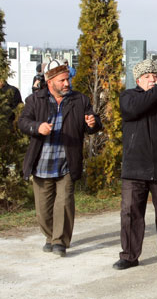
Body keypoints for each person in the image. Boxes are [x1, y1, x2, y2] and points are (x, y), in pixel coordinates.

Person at [18, 59, 102, 257]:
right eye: (62, 80)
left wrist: (92, 123)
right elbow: (22, 122)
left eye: (68, 80)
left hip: (67, 162)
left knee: (64, 204)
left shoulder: (79, 100)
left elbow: (94, 123)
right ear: (50, 82)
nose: (67, 84)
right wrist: (37, 127)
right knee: (43, 211)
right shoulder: (35, 100)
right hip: (41, 164)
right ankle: (50, 236)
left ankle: (60, 242)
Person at [113, 59, 157, 270]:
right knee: (130, 213)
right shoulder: (129, 96)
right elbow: (134, 110)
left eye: (155, 76)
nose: (152, 79)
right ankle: (129, 255)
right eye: (147, 77)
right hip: (134, 167)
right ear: (138, 80)